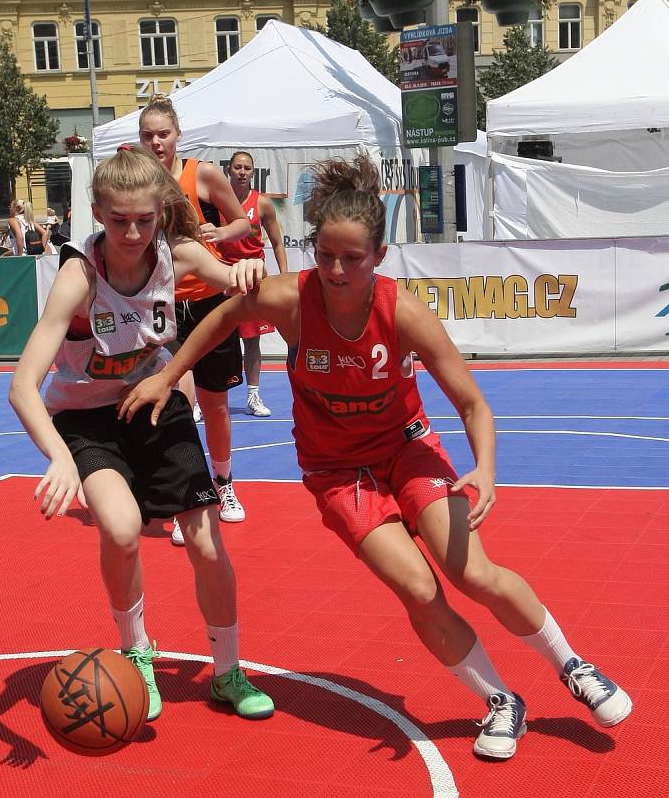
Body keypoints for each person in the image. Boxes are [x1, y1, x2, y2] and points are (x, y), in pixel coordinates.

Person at [119, 155, 632, 760]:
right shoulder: (291, 300)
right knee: (417, 588)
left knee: (471, 572)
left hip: (407, 449)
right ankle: (501, 701)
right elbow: (224, 317)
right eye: (326, 255)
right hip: (337, 474)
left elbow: (472, 403)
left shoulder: (402, 313)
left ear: (380, 257)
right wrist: (169, 375)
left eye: (352, 258)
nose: (335, 270)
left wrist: (486, 468)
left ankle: (571, 665)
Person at [9, 144, 274, 724]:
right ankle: (137, 652)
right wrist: (57, 458)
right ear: (98, 213)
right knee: (123, 529)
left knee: (206, 544)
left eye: (145, 219)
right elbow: (23, 387)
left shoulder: (177, 255)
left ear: (161, 212)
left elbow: (232, 278)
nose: (132, 232)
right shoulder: (79, 277)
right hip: (87, 420)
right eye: (119, 219)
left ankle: (227, 671)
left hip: (154, 405)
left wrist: (247, 272)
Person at [139, 94, 251, 536]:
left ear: (178, 134)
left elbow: (242, 221)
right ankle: (189, 493)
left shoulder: (199, 173)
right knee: (177, 401)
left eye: (163, 133)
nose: (155, 141)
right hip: (163, 306)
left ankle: (224, 482)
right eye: (147, 135)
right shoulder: (138, 180)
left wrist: (218, 232)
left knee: (215, 404)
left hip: (209, 301)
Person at [218, 151, 288, 417]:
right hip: (222, 276)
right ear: (229, 170)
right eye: (238, 167)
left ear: (252, 172)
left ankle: (253, 395)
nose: (242, 172)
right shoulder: (216, 201)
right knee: (216, 342)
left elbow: (278, 243)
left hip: (252, 277)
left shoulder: (263, 204)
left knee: (252, 341)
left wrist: (282, 276)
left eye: (247, 167)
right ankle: (204, 399)